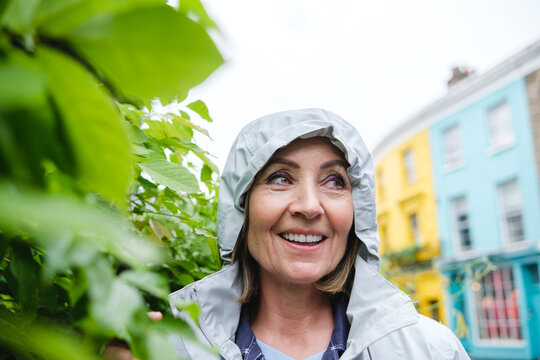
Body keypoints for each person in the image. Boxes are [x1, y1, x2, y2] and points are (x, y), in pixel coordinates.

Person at [168, 108, 470, 360]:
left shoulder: (431, 351)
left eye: (335, 181)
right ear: (241, 208)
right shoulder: (168, 347)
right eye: (280, 178)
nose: (310, 207)